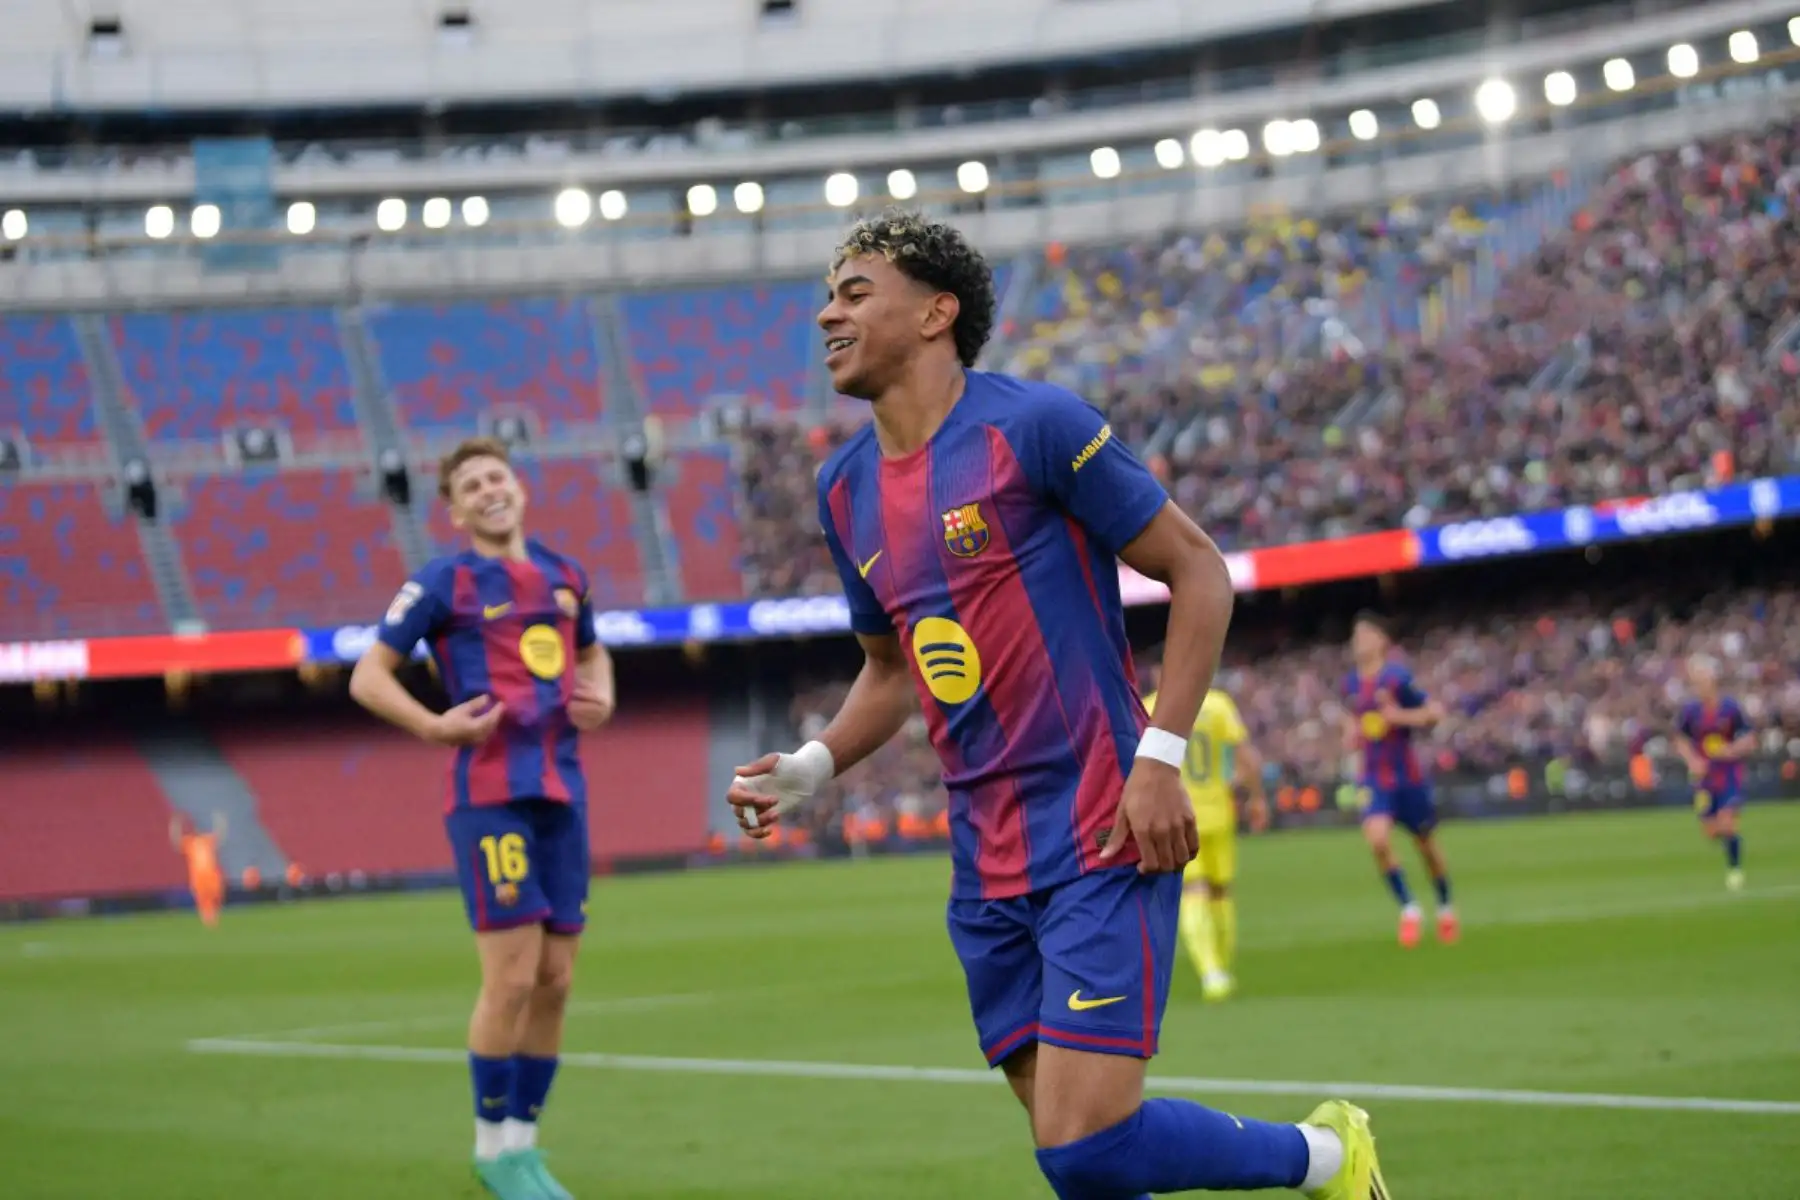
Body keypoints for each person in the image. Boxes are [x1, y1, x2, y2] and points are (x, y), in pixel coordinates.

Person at [728, 209, 1388, 1199]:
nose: (829, 313)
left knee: (1086, 1145)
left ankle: (1329, 1156)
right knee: (1083, 1168)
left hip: (1101, 826)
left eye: (856, 292)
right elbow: (893, 668)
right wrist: (814, 765)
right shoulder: (843, 488)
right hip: (984, 860)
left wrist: (1158, 757)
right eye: (828, 297)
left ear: (936, 313)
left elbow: (1199, 571)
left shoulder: (1033, 426)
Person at [350, 436, 615, 1200]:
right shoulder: (443, 581)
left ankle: (524, 1147)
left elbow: (593, 654)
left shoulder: (566, 576)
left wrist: (603, 694)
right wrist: (433, 725)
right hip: (490, 795)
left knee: (557, 980)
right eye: (470, 486)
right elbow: (369, 676)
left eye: (496, 477)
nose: (488, 491)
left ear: (519, 488)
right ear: (456, 512)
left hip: (563, 793)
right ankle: (491, 1149)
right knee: (512, 978)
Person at [1144, 666, 1268, 1001]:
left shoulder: (1150, 708)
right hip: (1219, 810)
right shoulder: (1217, 704)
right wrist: (1257, 797)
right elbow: (1245, 756)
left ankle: (1212, 972)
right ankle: (1224, 966)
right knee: (1220, 891)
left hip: (1177, 812)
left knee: (1194, 890)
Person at [1342, 612, 1454, 948]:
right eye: (1356, 636)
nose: (1359, 642)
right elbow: (1352, 721)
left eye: (1365, 635)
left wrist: (1398, 716)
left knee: (1426, 846)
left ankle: (1445, 906)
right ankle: (1410, 908)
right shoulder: (1350, 683)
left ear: (1382, 640)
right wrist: (1351, 734)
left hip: (1407, 776)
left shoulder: (1397, 678)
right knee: (1377, 839)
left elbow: (1434, 713)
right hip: (1373, 777)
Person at [1673, 654, 1754, 890]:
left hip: (1729, 774)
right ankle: (1731, 842)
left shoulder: (1730, 708)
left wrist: (1731, 750)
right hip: (1704, 777)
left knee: (1727, 823)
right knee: (1711, 831)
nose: (1700, 685)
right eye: (1696, 681)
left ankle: (1735, 870)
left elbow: (1749, 738)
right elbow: (1680, 739)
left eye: (1703, 680)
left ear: (1713, 681)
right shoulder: (1690, 710)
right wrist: (1692, 760)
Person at [169, 810, 226, 927]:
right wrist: (175, 825)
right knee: (203, 900)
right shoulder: (189, 843)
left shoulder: (207, 840)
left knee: (216, 895)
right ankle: (208, 920)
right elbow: (176, 841)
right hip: (198, 877)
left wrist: (220, 821)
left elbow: (219, 836)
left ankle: (212, 916)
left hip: (212, 875)